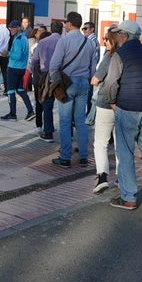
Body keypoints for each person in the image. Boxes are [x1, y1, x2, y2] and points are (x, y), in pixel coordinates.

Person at [100, 20, 142, 209]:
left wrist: (112, 101)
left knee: (126, 154)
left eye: (120, 34)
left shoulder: (120, 54)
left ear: (124, 36)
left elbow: (111, 83)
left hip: (126, 108)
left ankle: (129, 197)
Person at [48, 12, 97, 167]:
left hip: (67, 84)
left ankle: (65, 157)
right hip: (84, 84)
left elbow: (54, 65)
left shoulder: (64, 41)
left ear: (69, 24)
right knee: (81, 121)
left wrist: (55, 82)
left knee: (65, 121)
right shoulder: (89, 43)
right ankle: (83, 156)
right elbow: (93, 68)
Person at [88, 25, 119, 194]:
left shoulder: (109, 57)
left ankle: (102, 176)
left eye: (106, 39)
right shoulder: (125, 56)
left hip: (106, 104)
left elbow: (95, 80)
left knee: (100, 142)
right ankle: (122, 178)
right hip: (123, 105)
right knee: (120, 144)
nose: (104, 41)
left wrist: (97, 80)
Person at [30, 22, 62, 141]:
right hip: (62, 76)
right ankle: (68, 133)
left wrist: (32, 73)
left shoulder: (43, 42)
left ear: (51, 29)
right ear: (61, 30)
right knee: (65, 105)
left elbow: (34, 60)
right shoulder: (64, 41)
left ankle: (48, 132)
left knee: (47, 105)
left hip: (46, 75)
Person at [0, 20, 35, 121]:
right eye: (10, 27)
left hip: (14, 67)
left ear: (19, 28)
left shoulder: (19, 39)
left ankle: (12, 114)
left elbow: (18, 56)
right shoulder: (23, 37)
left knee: (10, 91)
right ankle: (30, 111)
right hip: (21, 68)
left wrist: (8, 54)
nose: (10, 29)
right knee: (20, 90)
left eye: (13, 27)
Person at [82, 21, 101, 116]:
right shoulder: (90, 40)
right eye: (83, 28)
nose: (84, 30)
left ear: (92, 29)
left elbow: (95, 59)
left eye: (86, 28)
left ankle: (89, 115)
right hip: (88, 72)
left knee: (88, 96)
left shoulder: (92, 41)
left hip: (88, 72)